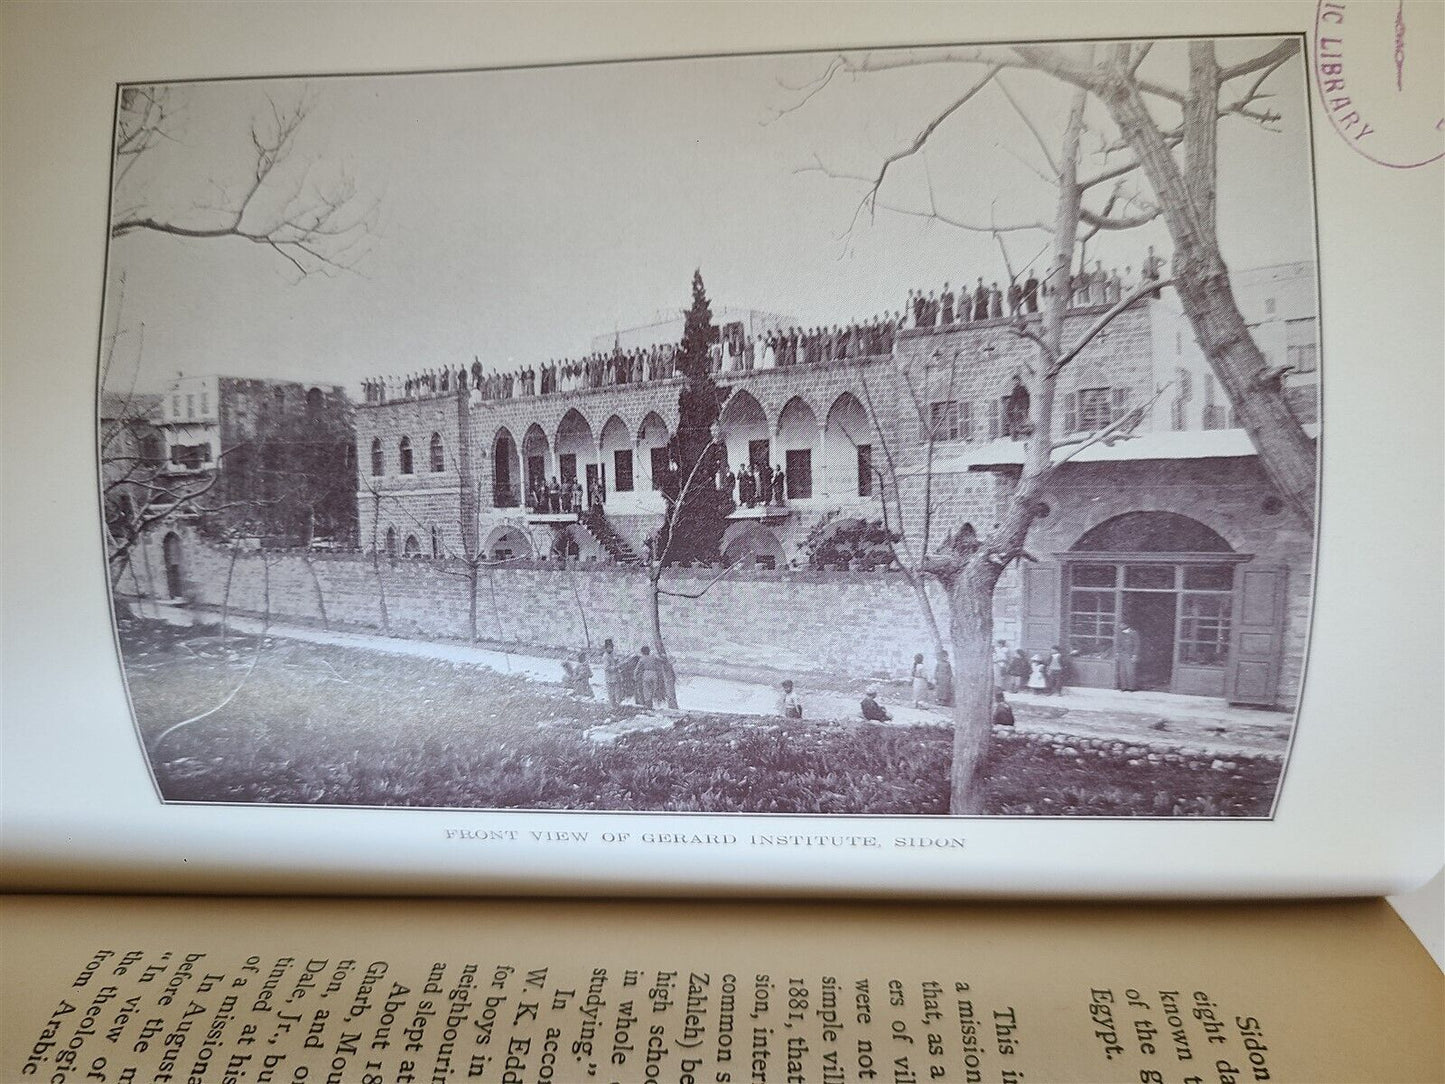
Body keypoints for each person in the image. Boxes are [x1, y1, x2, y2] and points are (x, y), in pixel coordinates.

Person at [635, 645, 665, 709]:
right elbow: (662, 661)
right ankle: (653, 703)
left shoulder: (642, 659)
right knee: (653, 690)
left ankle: (648, 705)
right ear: (649, 651)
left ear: (642, 652)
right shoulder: (653, 657)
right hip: (654, 673)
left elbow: (637, 669)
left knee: (646, 690)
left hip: (646, 673)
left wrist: (635, 676)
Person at [1116, 624, 1141, 691]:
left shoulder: (1134, 633)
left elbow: (1137, 645)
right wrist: (1118, 652)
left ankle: (1131, 687)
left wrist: (1134, 655)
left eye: (1122, 625)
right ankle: (1123, 687)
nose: (1121, 626)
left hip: (1130, 655)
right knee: (1122, 671)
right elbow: (1118, 643)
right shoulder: (1120, 633)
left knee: (1130, 672)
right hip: (1122, 654)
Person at [601, 638, 623, 708]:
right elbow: (607, 668)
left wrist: (617, 661)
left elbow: (614, 661)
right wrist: (616, 667)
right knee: (611, 693)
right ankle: (613, 706)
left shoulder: (612, 654)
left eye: (612, 647)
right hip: (610, 677)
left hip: (615, 677)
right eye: (610, 647)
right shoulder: (605, 656)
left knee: (617, 692)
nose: (612, 649)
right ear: (606, 648)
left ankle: (617, 705)